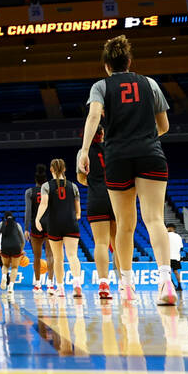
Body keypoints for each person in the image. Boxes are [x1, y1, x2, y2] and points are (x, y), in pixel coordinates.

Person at [77, 34, 175, 306]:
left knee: (124, 225)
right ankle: (166, 281)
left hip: (117, 156)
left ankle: (127, 286)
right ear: (129, 61)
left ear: (107, 66)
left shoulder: (101, 86)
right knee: (155, 219)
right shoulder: (150, 84)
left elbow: (94, 116)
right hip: (150, 153)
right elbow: (164, 126)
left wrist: (84, 150)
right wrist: (143, 136)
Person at [76, 124, 122, 300]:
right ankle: (125, 284)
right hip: (116, 197)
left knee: (101, 243)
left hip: (96, 198)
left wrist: (95, 184)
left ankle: (104, 283)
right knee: (119, 244)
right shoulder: (114, 148)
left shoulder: (83, 152)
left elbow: (81, 178)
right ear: (103, 134)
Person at [36, 158, 83, 298]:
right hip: (71, 223)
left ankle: (61, 289)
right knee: (73, 256)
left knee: (58, 258)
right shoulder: (73, 186)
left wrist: (38, 219)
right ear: (64, 169)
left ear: (51, 169)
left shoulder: (46, 186)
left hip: (54, 225)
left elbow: (43, 204)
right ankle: (77, 284)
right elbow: (78, 212)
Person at [24, 164, 53, 292]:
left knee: (37, 256)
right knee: (50, 255)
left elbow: (28, 211)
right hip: (49, 223)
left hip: (36, 225)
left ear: (36, 180)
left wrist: (26, 228)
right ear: (45, 180)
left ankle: (37, 284)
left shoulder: (30, 192)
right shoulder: (50, 190)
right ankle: (51, 284)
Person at [0, 212, 24, 294]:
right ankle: (11, 286)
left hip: (5, 247)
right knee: (14, 267)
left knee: (5, 265)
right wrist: (21, 250)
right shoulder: (17, 225)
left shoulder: (1, 224)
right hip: (16, 247)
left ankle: (4, 276)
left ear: (5, 217)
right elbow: (23, 240)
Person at [167, 224, 184, 293]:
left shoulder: (166, 235)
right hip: (176, 256)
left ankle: (172, 285)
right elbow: (181, 247)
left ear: (169, 228)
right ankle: (179, 286)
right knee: (176, 271)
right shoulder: (178, 236)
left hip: (168, 256)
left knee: (168, 272)